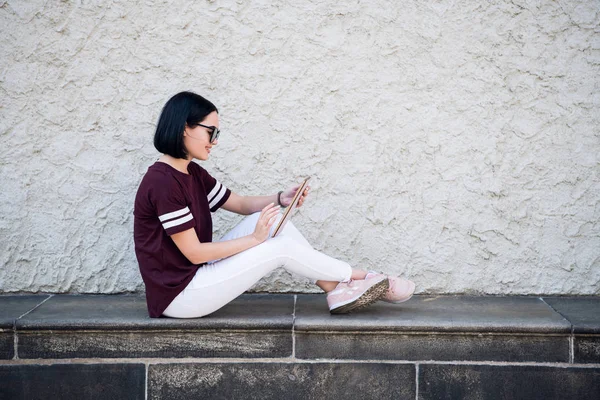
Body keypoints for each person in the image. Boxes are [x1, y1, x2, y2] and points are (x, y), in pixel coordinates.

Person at [133, 91, 416, 318]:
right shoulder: (162, 182)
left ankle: (336, 290)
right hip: (180, 296)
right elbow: (194, 253)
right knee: (277, 246)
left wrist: (281, 199)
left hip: (195, 278)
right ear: (186, 128)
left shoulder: (191, 173)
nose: (215, 142)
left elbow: (242, 204)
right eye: (212, 132)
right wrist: (255, 239)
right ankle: (365, 277)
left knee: (279, 225)